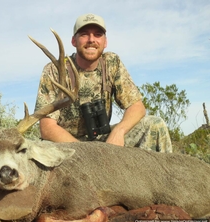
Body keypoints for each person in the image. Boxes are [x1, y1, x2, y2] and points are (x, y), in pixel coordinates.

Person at [34, 13, 172, 153]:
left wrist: (119, 131)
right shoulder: (55, 69)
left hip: (103, 142)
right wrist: (85, 152)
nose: (91, 40)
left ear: (105, 42)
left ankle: (162, 174)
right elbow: (47, 127)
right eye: (84, 34)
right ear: (74, 41)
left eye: (98, 34)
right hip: (67, 145)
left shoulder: (111, 63)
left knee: (154, 125)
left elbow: (137, 107)